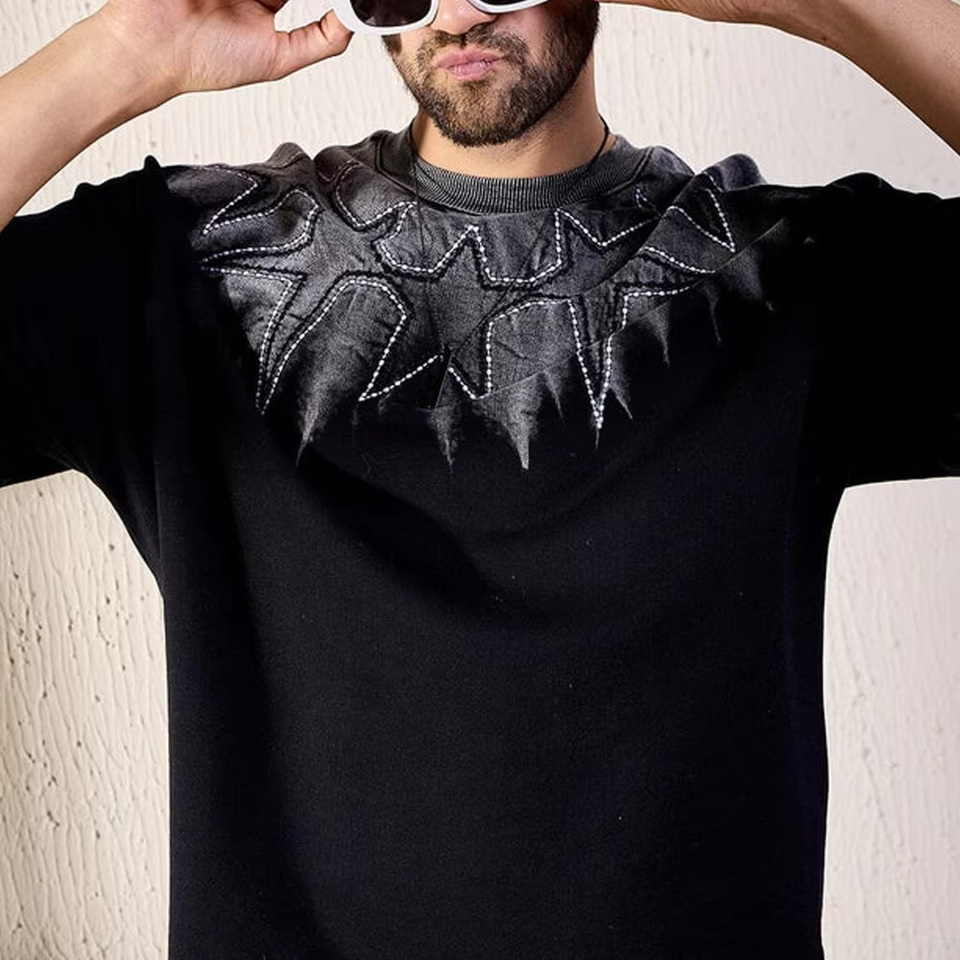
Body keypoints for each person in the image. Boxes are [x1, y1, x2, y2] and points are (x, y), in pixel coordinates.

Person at [0, 0, 958, 957]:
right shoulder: (196, 265)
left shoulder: (784, 272)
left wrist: (826, 4)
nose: (456, 15)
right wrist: (125, 52)